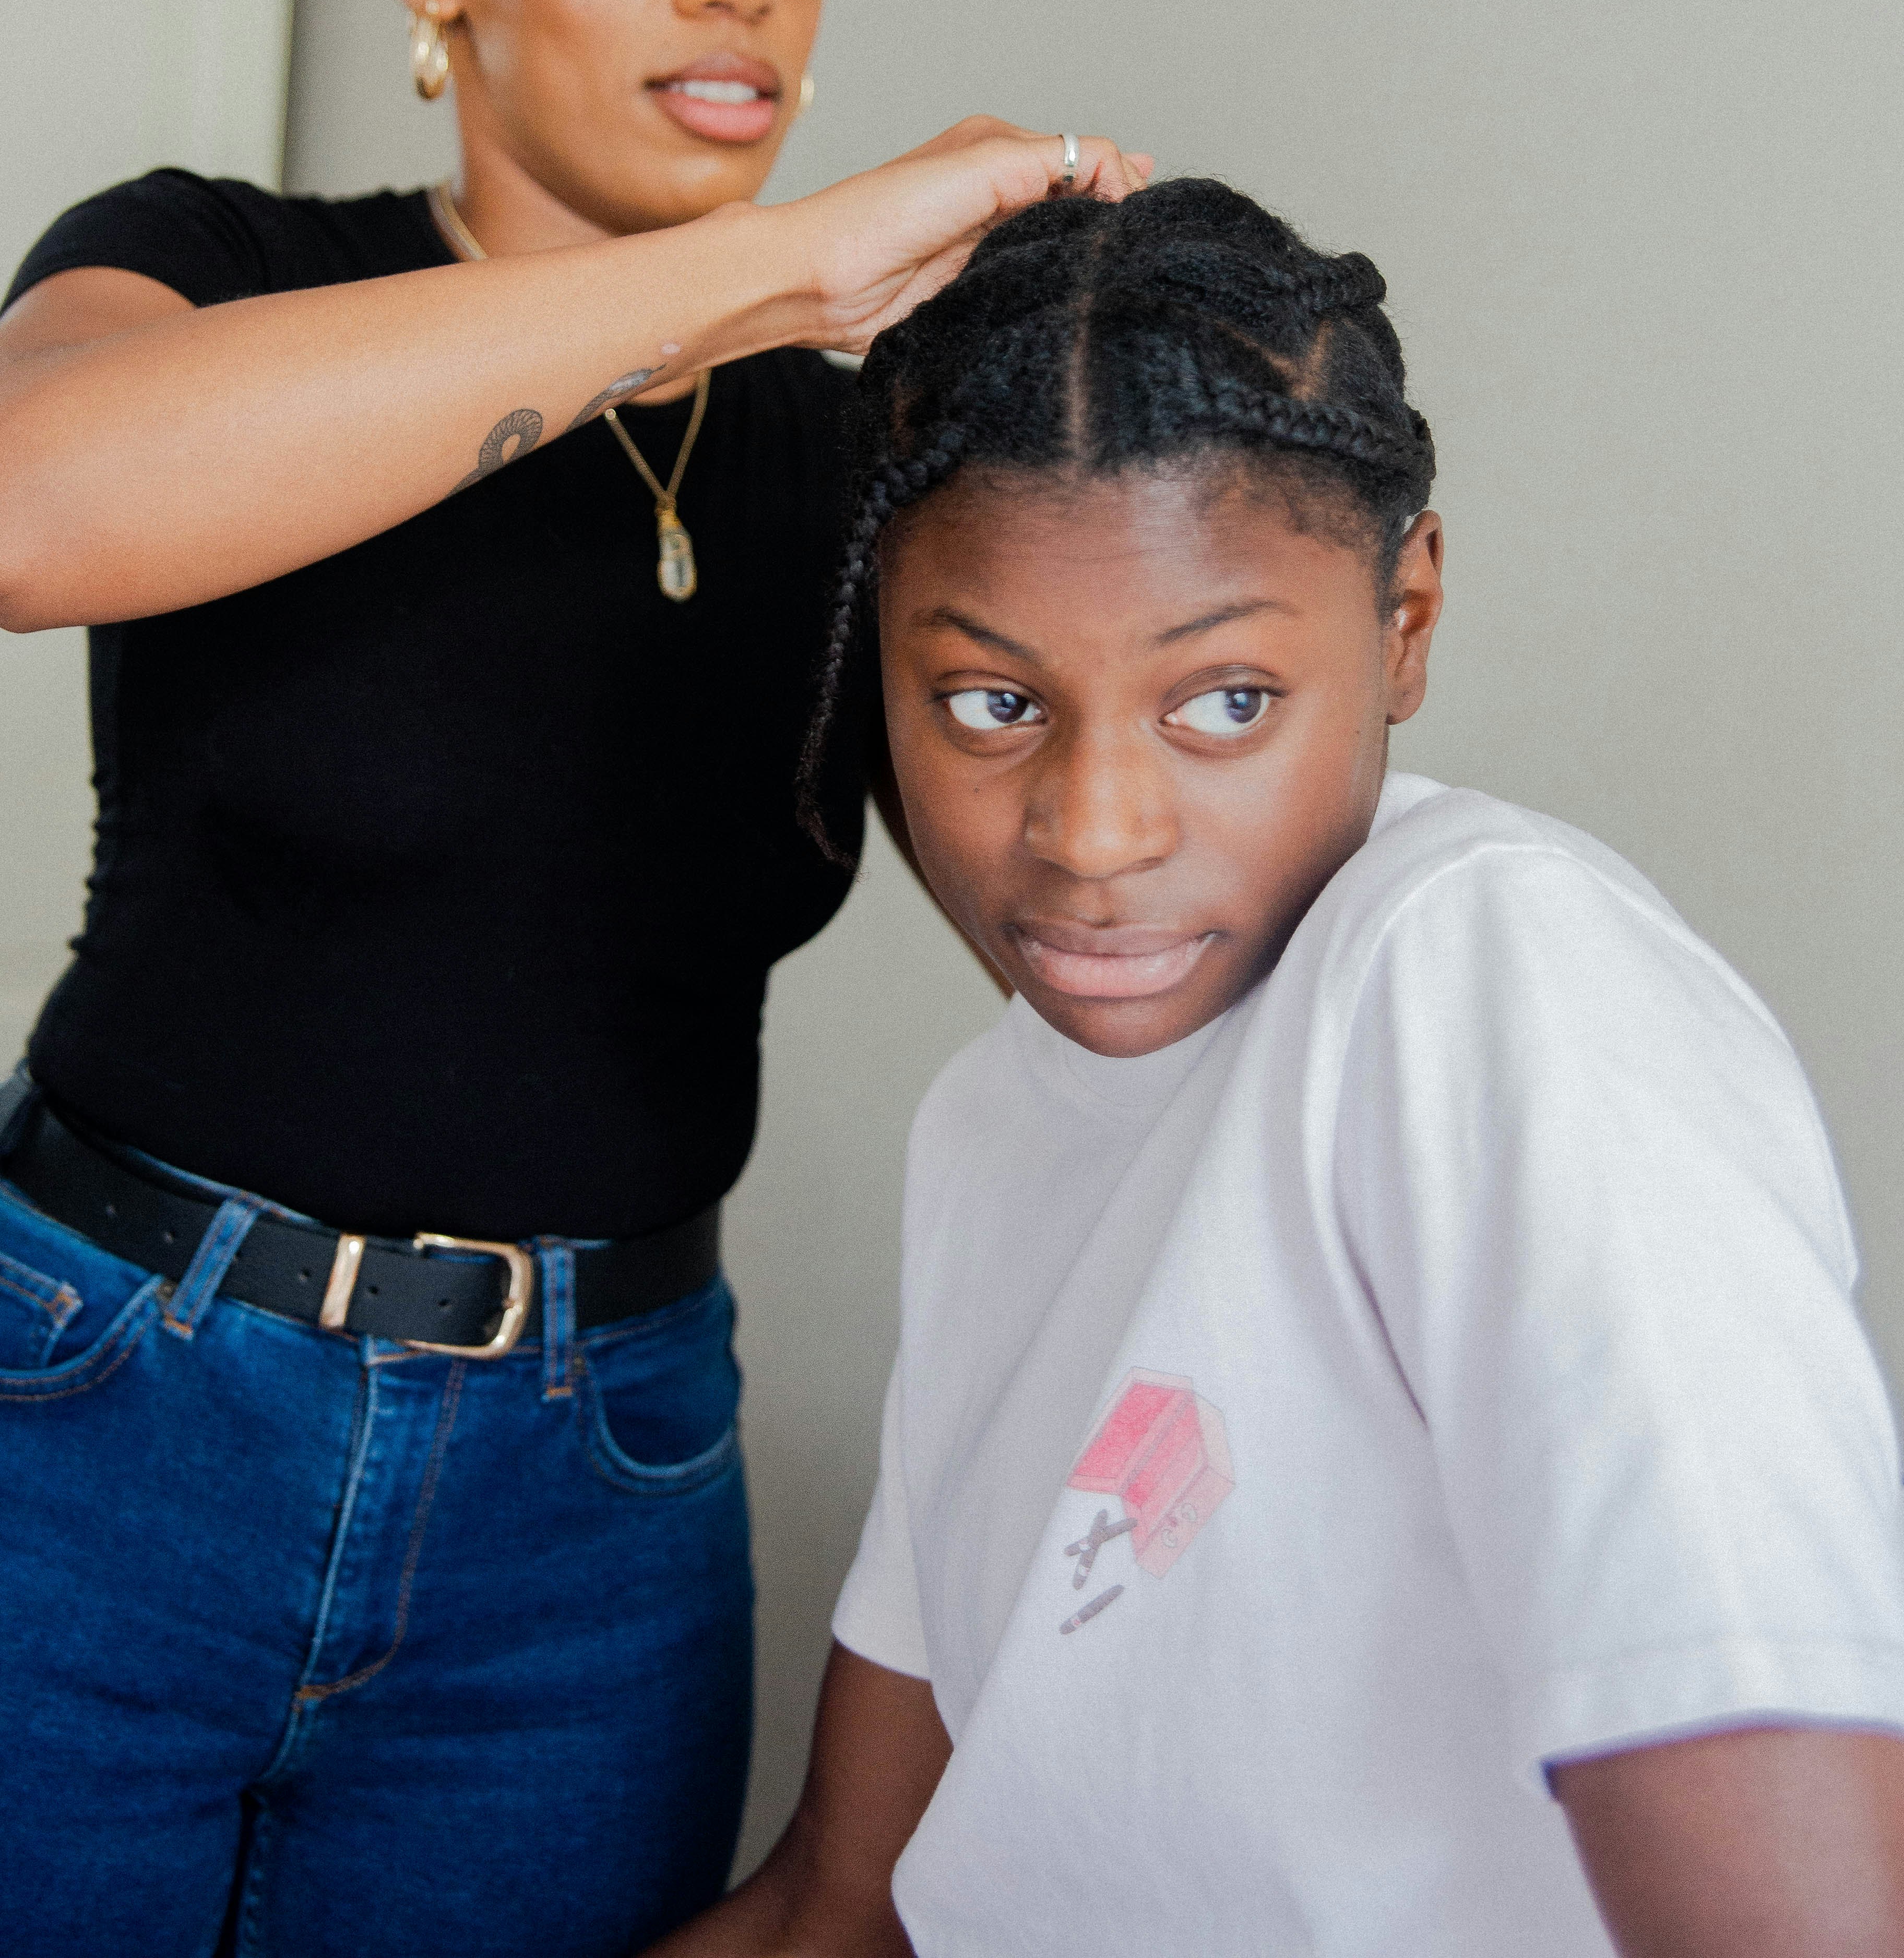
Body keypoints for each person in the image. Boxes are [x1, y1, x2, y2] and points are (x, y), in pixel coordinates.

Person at [0, 0, 1146, 1958]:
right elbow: (33, 502)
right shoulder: (215, 265)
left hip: (592, 1515)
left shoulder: (862, 450)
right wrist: (768, 272)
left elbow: (1092, 906)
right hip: (102, 1419)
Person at [654, 177, 1904, 1958]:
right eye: (990, 702)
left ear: (1405, 624)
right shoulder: (994, 1127)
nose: (1094, 834)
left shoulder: (1490, 978)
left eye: (1225, 699)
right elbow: (840, 1907)